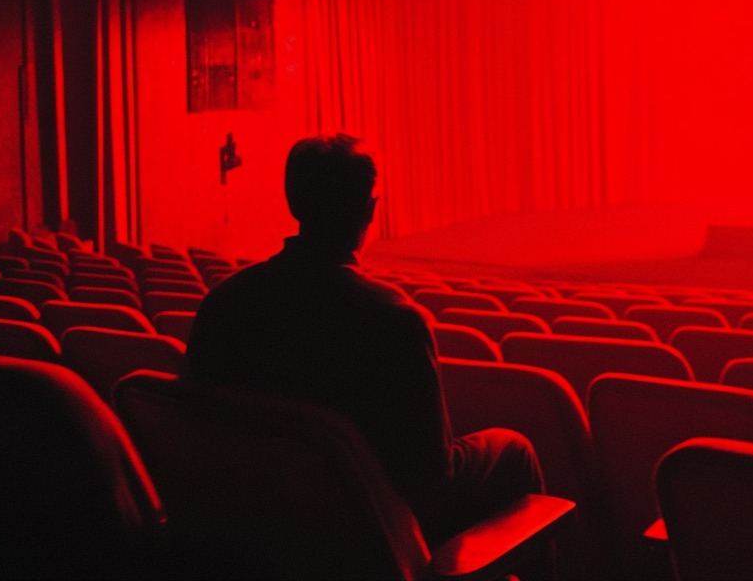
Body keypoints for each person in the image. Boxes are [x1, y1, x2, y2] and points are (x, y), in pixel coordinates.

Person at [185, 133, 542, 544]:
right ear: (370, 209)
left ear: (292, 202)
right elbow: (432, 478)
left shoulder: (222, 303)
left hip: (255, 528)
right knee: (513, 449)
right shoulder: (394, 320)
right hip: (366, 534)